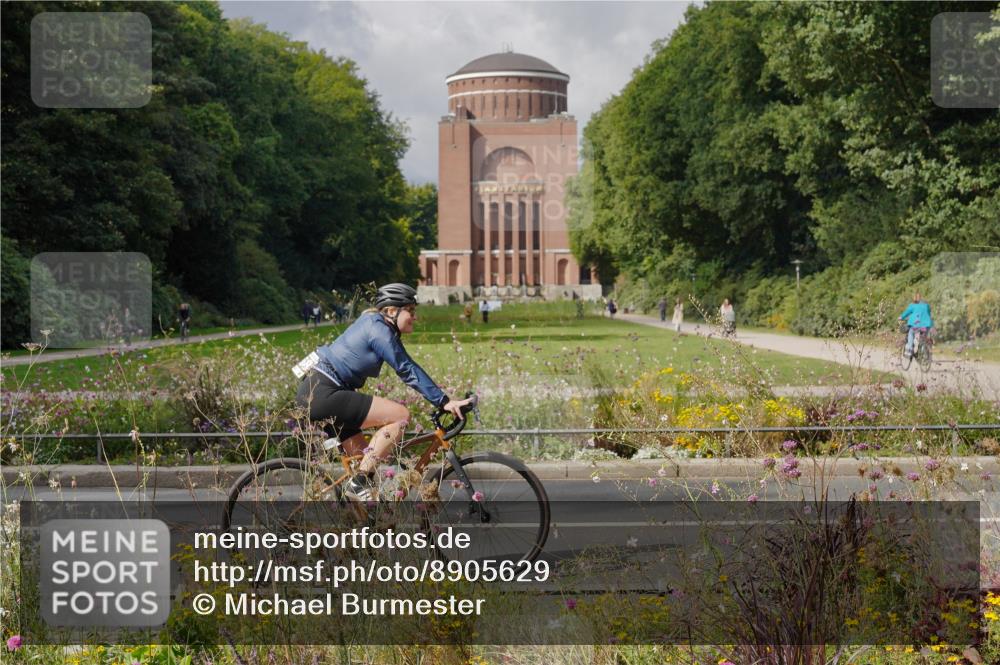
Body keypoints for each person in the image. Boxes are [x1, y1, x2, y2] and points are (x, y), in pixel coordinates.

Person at [296, 283, 473, 501]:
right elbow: (406, 368)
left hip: (320, 392)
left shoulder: (375, 325)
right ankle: (358, 483)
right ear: (391, 311)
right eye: (411, 311)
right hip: (324, 392)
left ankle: (365, 524)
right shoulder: (377, 329)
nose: (414, 317)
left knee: (367, 468)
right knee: (400, 416)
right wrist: (444, 401)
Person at [899, 292, 934, 357]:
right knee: (924, 338)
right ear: (921, 298)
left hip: (916, 325)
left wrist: (901, 317)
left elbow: (906, 313)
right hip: (927, 325)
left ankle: (909, 349)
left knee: (911, 333)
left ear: (914, 298)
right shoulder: (926, 305)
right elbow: (929, 314)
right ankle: (923, 351)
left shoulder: (912, 305)